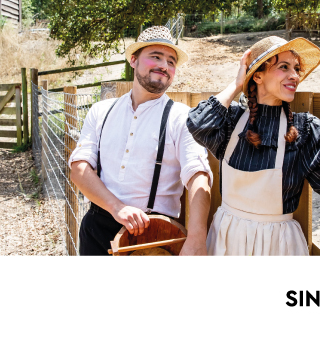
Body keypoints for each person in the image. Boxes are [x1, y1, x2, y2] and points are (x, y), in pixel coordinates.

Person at [187, 36, 320, 256]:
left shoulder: (304, 129)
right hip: (226, 240)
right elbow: (198, 123)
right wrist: (237, 84)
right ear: (257, 75)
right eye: (284, 67)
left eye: (296, 69)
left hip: (279, 245)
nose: (295, 76)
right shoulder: (231, 122)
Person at [69, 26, 213, 256]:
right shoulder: (101, 111)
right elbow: (79, 169)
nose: (164, 66)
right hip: (97, 229)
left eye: (171, 61)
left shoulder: (181, 117)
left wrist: (196, 239)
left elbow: (199, 177)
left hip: (154, 237)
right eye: (155, 56)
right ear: (133, 60)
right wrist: (117, 208)